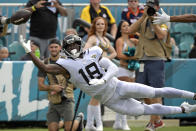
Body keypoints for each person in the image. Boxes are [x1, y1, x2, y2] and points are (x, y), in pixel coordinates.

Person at [20, 34, 196, 131]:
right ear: (66, 50)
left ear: (80, 44)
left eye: (75, 45)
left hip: (118, 86)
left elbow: (112, 68)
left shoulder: (94, 51)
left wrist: (103, 79)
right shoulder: (64, 64)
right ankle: (184, 108)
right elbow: (45, 67)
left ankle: (193, 95)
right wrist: (31, 53)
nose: (73, 48)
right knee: (147, 109)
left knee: (154, 92)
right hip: (110, 100)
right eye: (70, 47)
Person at [128, 0, 172, 130]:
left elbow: (161, 35)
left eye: (152, 6)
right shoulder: (143, 18)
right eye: (148, 6)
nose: (150, 8)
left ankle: (153, 123)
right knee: (144, 93)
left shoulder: (162, 19)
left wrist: (153, 19)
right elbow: (130, 30)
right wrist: (143, 16)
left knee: (156, 92)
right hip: (142, 58)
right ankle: (157, 119)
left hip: (156, 59)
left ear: (157, 7)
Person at [37, 38, 84, 131]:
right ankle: (69, 121)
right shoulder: (44, 64)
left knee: (68, 129)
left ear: (60, 48)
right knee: (53, 129)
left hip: (67, 98)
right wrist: (51, 87)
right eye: (51, 47)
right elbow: (40, 86)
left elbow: (76, 77)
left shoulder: (68, 61)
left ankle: (78, 119)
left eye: (56, 47)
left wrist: (70, 86)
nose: (53, 49)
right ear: (48, 49)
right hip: (53, 100)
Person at [83, 16, 117, 131]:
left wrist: (106, 58)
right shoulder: (93, 38)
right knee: (96, 96)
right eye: (98, 24)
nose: (100, 26)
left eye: (102, 24)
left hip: (103, 70)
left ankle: (90, 125)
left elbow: (114, 53)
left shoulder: (105, 39)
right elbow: (85, 51)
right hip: (95, 71)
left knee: (97, 97)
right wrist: (96, 59)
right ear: (94, 26)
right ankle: (98, 125)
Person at [113, 20, 139, 130]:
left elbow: (145, 44)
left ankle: (118, 122)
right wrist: (132, 58)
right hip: (123, 69)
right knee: (125, 95)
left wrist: (137, 34)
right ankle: (123, 123)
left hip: (132, 70)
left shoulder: (133, 40)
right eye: (124, 26)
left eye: (128, 26)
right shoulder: (119, 40)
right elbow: (119, 54)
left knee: (128, 96)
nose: (126, 27)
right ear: (120, 29)